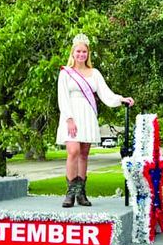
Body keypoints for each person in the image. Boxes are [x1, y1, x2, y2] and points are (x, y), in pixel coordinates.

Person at [56, 33, 134, 207]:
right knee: (73, 151)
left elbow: (105, 93)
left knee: (84, 154)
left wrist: (121, 99)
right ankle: (70, 193)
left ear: (88, 54)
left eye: (84, 52)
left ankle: (81, 193)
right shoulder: (66, 73)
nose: (81, 54)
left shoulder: (94, 73)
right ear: (73, 53)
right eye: (78, 51)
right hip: (71, 114)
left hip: (87, 113)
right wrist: (69, 118)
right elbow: (62, 97)